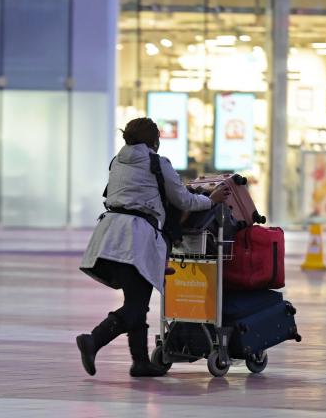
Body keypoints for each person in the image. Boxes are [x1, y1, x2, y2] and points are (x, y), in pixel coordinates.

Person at [77, 117, 230, 377]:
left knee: (137, 301)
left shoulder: (117, 161)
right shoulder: (157, 163)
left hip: (110, 236)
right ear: (153, 140)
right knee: (136, 306)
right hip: (138, 238)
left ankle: (140, 363)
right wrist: (211, 200)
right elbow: (183, 199)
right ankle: (93, 340)